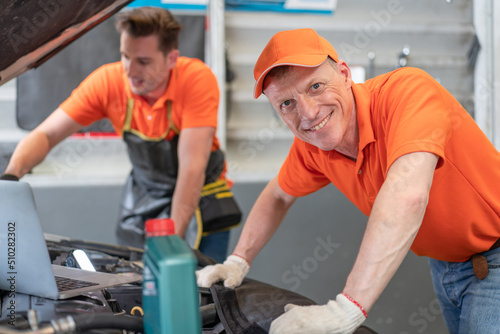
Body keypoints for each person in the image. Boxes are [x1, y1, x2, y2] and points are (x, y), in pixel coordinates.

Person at [196, 28, 500, 333]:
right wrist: (238, 261)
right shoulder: (313, 146)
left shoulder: (409, 92)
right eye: (286, 103)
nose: (309, 113)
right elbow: (278, 196)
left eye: (315, 86)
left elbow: (407, 193)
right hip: (445, 265)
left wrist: (347, 308)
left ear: (344, 74)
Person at [0, 7, 239, 263]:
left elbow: (192, 168)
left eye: (144, 61)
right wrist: (9, 181)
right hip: (144, 199)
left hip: (200, 201)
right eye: (126, 56)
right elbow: (46, 135)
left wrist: (170, 248)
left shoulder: (196, 79)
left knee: (199, 289)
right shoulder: (108, 82)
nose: (131, 70)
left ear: (171, 59)